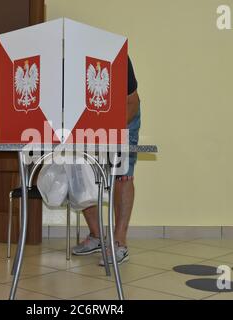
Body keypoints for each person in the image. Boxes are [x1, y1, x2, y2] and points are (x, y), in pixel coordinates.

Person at [72, 56, 141, 265]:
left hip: (124, 111)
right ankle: (97, 236)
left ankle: (119, 242)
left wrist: (111, 131)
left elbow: (132, 101)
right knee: (79, 170)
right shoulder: (68, 62)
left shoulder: (118, 58)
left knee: (122, 173)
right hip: (86, 112)